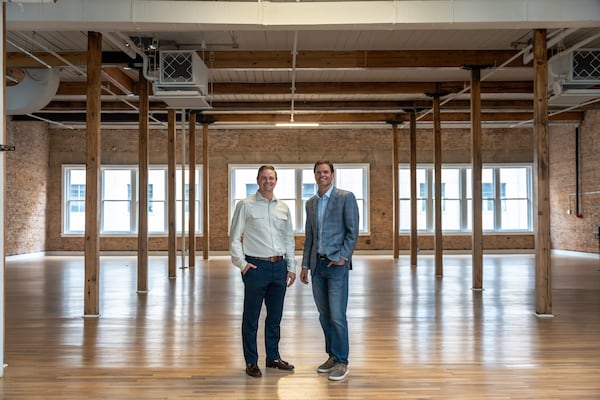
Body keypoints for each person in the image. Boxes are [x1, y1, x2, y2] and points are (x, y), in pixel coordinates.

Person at [230, 165, 297, 378]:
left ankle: (273, 358)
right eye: (264, 178)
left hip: (279, 267)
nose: (268, 181)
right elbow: (234, 238)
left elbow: (289, 239)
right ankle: (251, 361)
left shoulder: (283, 208)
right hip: (255, 268)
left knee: (275, 317)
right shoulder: (245, 206)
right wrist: (242, 264)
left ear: (276, 181)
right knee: (251, 317)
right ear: (258, 180)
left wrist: (291, 266)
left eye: (272, 178)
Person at [300, 160, 359, 381]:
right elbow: (309, 238)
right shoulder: (311, 203)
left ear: (332, 175)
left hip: (336, 265)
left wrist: (343, 257)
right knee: (324, 315)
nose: (322, 175)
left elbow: (352, 232)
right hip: (317, 266)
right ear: (314, 175)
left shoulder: (346, 197)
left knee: (337, 315)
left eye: (326, 172)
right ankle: (332, 356)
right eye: (318, 172)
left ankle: (342, 361)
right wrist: (305, 265)